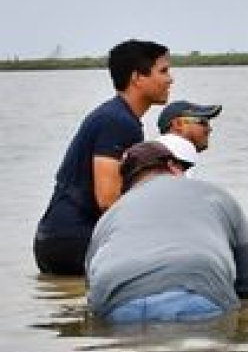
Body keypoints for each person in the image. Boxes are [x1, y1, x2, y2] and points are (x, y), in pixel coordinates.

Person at [34, 39, 173, 276]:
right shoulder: (117, 121)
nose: (170, 79)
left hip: (58, 239)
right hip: (73, 240)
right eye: (163, 71)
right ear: (137, 78)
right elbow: (108, 200)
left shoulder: (120, 117)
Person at [86, 141, 248, 323]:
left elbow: (90, 281)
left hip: (117, 304)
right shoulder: (217, 196)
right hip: (196, 292)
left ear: (128, 184)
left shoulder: (111, 214)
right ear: (172, 166)